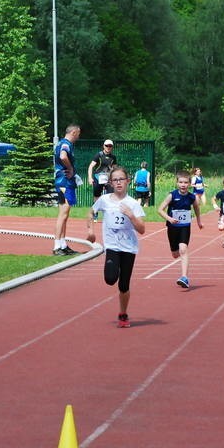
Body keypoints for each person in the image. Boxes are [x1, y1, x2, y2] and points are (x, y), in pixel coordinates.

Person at [86, 166, 146, 328]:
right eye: (115, 180)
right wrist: (91, 231)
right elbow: (91, 212)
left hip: (128, 248)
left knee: (123, 285)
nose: (119, 182)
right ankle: (114, 267)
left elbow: (142, 229)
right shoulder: (104, 200)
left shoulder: (133, 204)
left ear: (127, 181)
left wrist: (131, 215)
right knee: (110, 279)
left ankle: (123, 313)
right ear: (111, 183)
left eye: (121, 179)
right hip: (112, 246)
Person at [158, 169, 203, 288]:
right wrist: (169, 219)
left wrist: (198, 221)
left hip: (185, 226)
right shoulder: (172, 195)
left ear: (189, 184)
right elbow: (160, 210)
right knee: (175, 253)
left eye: (186, 182)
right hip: (172, 227)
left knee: (183, 249)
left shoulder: (191, 197)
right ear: (177, 183)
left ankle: (184, 277)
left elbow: (197, 208)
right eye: (181, 182)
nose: (183, 185)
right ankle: (175, 251)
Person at [53, 124, 81, 256]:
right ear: (74, 132)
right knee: (63, 213)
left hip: (63, 181)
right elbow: (63, 156)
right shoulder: (65, 144)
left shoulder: (63, 144)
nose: (78, 137)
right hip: (64, 181)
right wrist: (70, 168)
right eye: (78, 134)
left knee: (65, 213)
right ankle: (57, 245)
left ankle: (63, 244)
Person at [87, 139, 117, 221]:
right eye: (107, 146)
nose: (108, 147)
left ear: (112, 147)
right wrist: (90, 178)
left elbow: (114, 168)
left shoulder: (113, 157)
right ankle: (95, 213)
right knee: (97, 196)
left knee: (110, 196)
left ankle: (108, 215)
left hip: (108, 179)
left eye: (110, 146)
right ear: (103, 146)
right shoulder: (99, 155)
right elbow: (91, 166)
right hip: (98, 177)